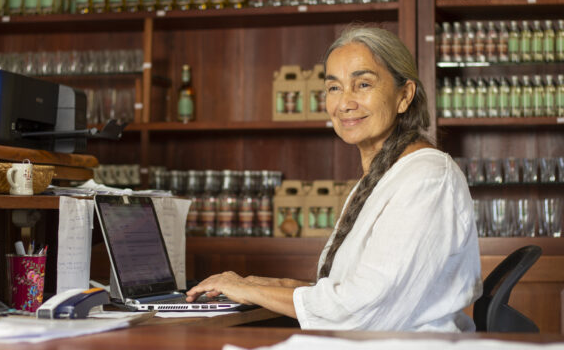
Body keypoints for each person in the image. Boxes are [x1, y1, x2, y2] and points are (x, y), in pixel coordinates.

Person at [186, 26, 482, 332]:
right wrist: (260, 284)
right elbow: (352, 290)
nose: (344, 103)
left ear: (404, 95)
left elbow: (361, 310)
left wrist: (252, 292)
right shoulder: (384, 175)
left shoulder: (427, 179)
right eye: (334, 88)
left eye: (363, 84)